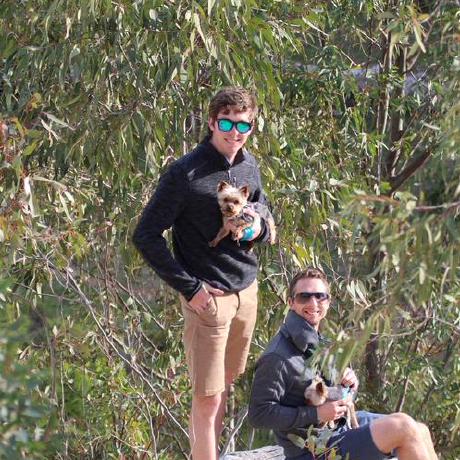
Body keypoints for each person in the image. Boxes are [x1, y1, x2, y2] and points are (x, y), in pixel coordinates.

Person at [133, 87, 273, 460]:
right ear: (212, 122)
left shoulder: (248, 165)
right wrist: (191, 288)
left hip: (246, 293)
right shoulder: (185, 173)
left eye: (243, 124)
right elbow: (146, 235)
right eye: (226, 123)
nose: (235, 132)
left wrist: (258, 228)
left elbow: (263, 209)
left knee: (224, 387)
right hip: (208, 301)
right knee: (206, 398)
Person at [248, 267, 438, 460]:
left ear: (328, 302)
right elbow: (258, 415)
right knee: (403, 427)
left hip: (339, 428)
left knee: (419, 429)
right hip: (311, 451)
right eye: (304, 297)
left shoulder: (320, 342)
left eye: (320, 296)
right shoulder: (278, 356)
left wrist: (350, 384)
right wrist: (317, 414)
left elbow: (340, 397)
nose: (313, 303)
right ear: (291, 302)